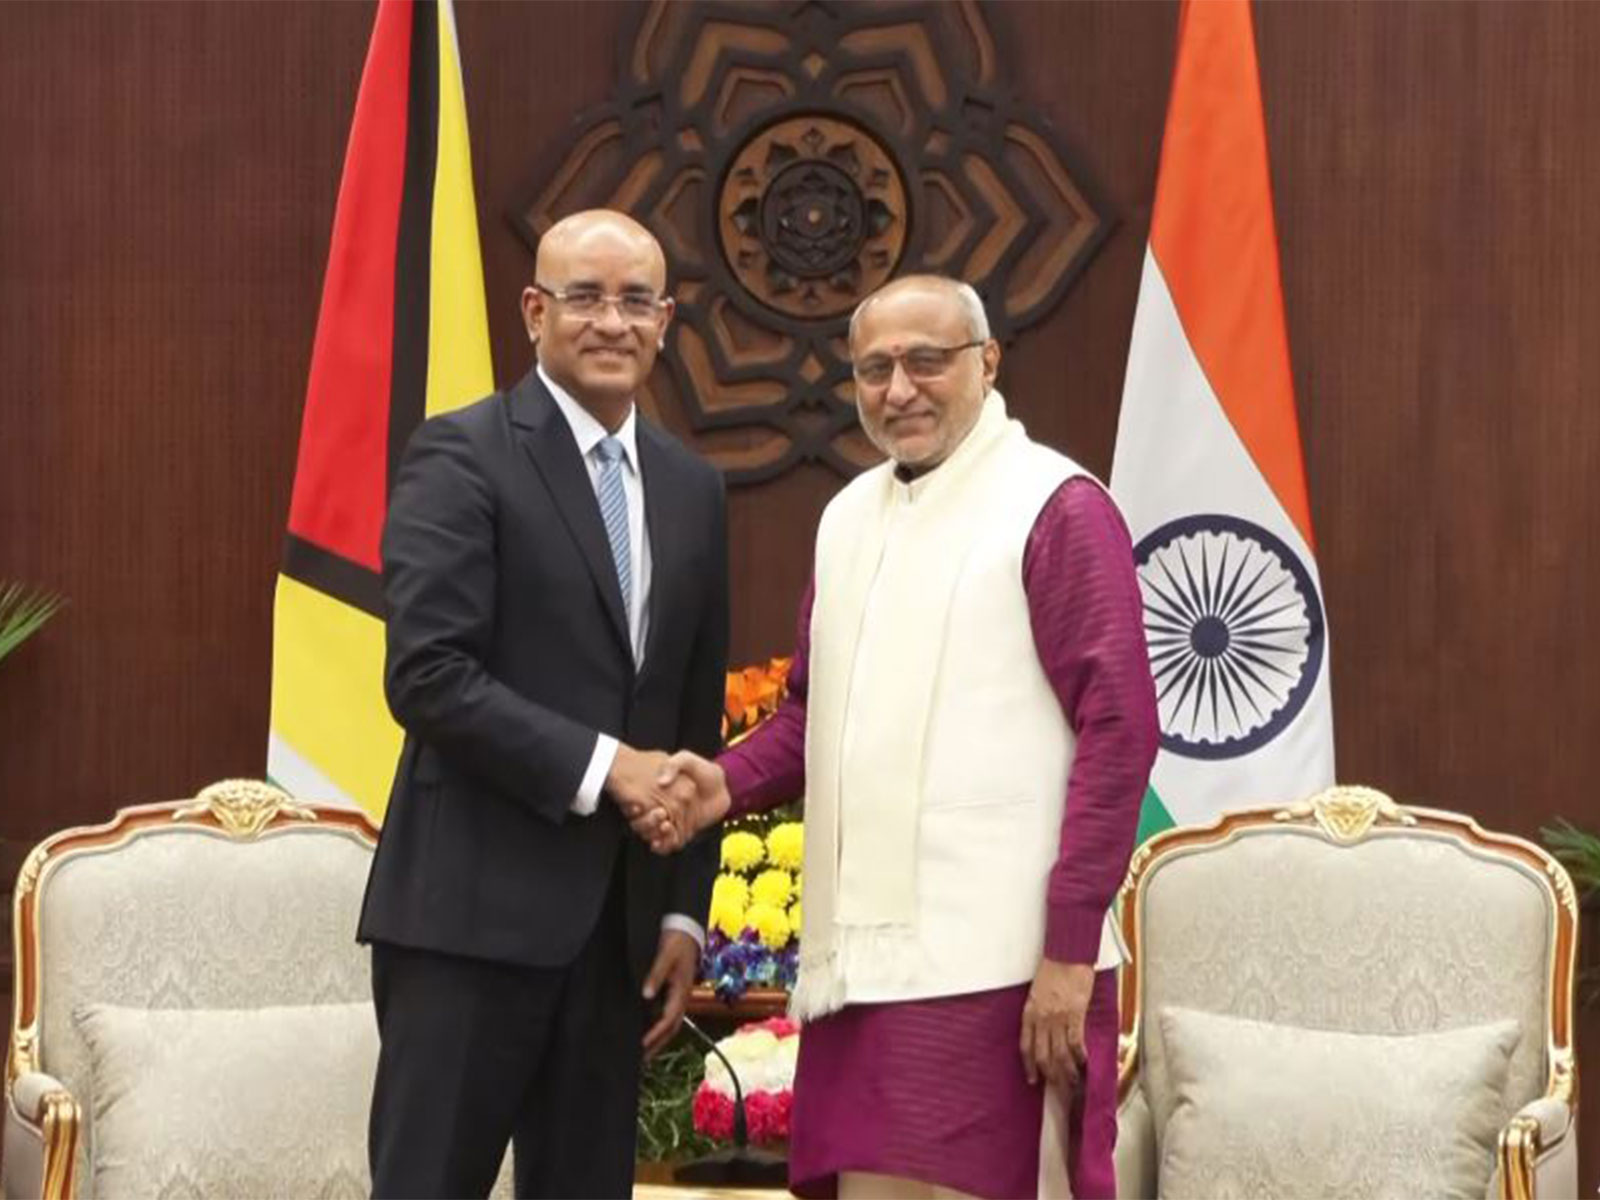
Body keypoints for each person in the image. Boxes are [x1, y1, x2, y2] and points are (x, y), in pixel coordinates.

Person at [641, 275, 1158, 1199]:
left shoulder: (1056, 506)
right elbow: (811, 712)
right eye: (874, 368)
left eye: (928, 361)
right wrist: (721, 786)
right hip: (861, 972)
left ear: (988, 362)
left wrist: (1069, 953)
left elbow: (1119, 731)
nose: (899, 388)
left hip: (1004, 967)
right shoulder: (848, 518)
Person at [356, 209, 728, 1199]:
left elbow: (691, 722)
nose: (612, 321)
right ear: (533, 311)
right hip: (467, 924)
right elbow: (427, 675)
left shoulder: (695, 490)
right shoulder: (463, 453)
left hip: (619, 943)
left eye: (636, 300)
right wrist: (610, 768)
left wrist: (685, 913)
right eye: (584, 297)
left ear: (665, 319)